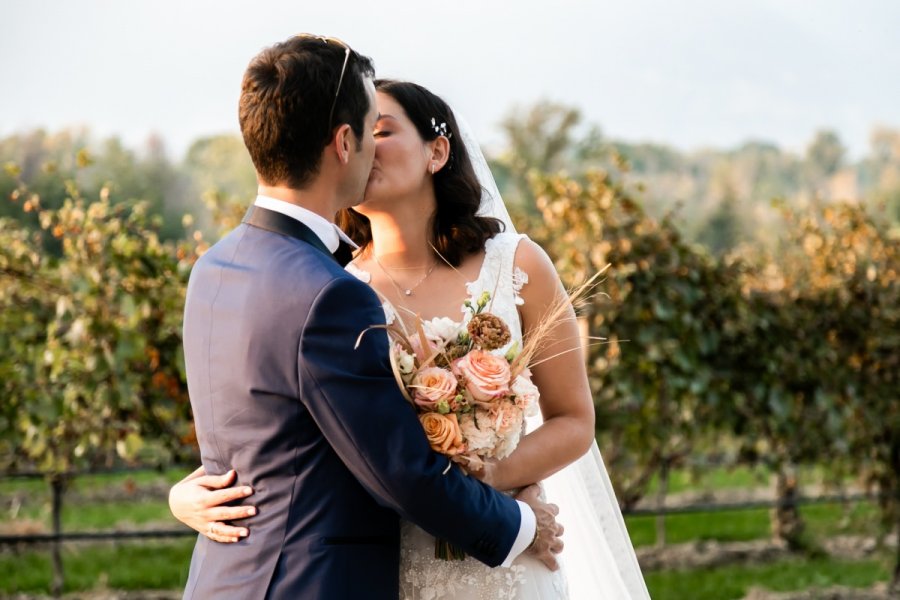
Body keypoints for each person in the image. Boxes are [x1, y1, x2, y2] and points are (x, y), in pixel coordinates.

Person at [172, 74, 651, 598]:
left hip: (504, 558)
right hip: (386, 567)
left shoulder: (515, 265)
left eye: (381, 131)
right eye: (354, 132)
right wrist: (183, 496)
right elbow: (281, 429)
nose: (361, 145)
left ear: (437, 151)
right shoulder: (331, 291)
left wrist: (490, 480)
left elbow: (574, 420)